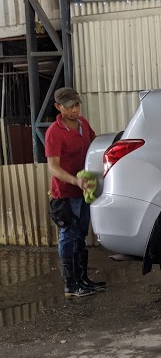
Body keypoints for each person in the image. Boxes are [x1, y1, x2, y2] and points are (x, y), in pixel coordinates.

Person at [45, 87, 106, 298]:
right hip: (65, 193)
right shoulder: (54, 132)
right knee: (68, 235)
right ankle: (70, 285)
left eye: (77, 105)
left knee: (81, 234)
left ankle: (83, 279)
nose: (74, 110)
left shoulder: (83, 124)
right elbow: (53, 167)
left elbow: (95, 146)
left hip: (84, 190)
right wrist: (74, 180)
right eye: (69, 106)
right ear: (58, 107)